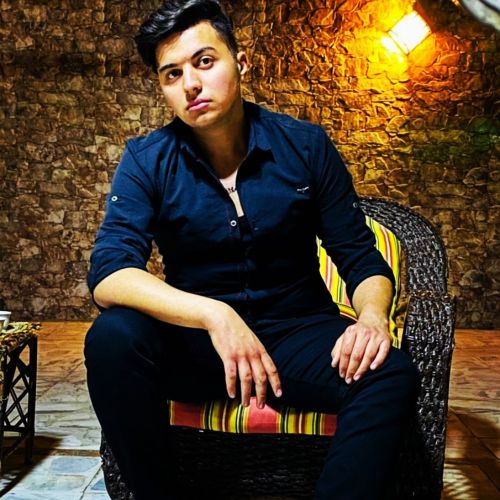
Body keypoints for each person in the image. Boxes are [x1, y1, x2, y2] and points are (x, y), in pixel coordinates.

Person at [84, 1, 420, 498]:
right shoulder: (146, 160)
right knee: (112, 339)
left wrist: (372, 318)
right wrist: (214, 316)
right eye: (172, 74)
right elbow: (110, 273)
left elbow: (359, 256)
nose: (190, 84)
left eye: (204, 62)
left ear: (241, 63)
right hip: (199, 345)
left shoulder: (306, 146)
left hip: (298, 330)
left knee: (390, 372)